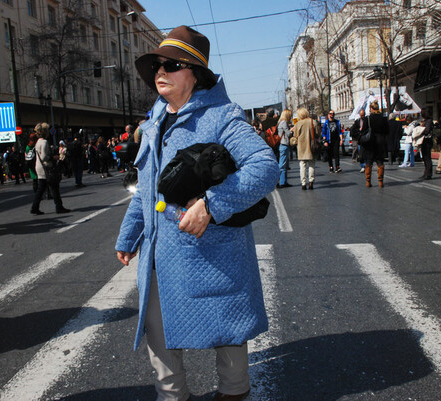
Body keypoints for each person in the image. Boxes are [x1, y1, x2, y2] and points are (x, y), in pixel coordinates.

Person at [116, 25, 279, 401]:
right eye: (157, 64)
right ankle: (172, 396)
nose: (160, 72)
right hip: (161, 254)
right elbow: (146, 187)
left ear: (195, 73)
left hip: (214, 252)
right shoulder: (154, 119)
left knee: (229, 332)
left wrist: (211, 204)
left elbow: (264, 166)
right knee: (157, 331)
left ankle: (234, 393)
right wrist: (129, 235)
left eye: (171, 65)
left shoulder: (223, 116)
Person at [30, 122, 71, 215]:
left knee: (41, 189)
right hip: (46, 168)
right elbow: (44, 157)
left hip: (39, 167)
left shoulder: (38, 142)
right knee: (54, 187)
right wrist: (53, 157)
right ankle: (59, 206)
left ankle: (35, 207)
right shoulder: (44, 142)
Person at [292, 107, 320, 190]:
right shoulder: (313, 122)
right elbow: (317, 133)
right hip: (311, 146)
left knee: (302, 165)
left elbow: (295, 136)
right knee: (312, 165)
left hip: (301, 147)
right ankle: (311, 181)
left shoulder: (298, 124)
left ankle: (303, 183)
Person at [363, 101, 389, 187]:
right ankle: (380, 182)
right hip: (380, 141)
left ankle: (368, 182)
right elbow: (387, 131)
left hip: (370, 141)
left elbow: (364, 131)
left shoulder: (368, 118)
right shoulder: (383, 118)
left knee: (369, 161)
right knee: (380, 161)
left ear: (371, 108)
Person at [276, 109, 293, 188]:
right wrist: (292, 130)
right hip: (284, 144)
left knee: (284, 164)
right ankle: (280, 181)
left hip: (282, 144)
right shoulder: (284, 123)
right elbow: (288, 133)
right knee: (282, 164)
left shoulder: (280, 122)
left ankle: (284, 181)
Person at [418, 108, 434, 180]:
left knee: (427, 157)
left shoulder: (429, 121)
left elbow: (427, 130)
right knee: (425, 157)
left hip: (427, 141)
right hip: (424, 141)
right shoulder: (426, 121)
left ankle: (428, 173)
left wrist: (421, 130)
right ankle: (426, 172)